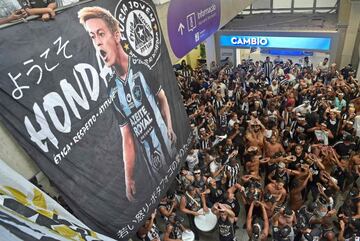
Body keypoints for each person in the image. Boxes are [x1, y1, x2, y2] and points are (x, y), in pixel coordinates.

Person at [78, 6, 177, 202]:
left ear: (116, 36)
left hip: (167, 145)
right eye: (92, 37)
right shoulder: (112, 89)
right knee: (165, 193)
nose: (97, 42)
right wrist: (128, 178)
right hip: (151, 162)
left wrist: (170, 127)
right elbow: (127, 137)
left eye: (100, 34)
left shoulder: (141, 68)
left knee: (175, 180)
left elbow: (162, 98)